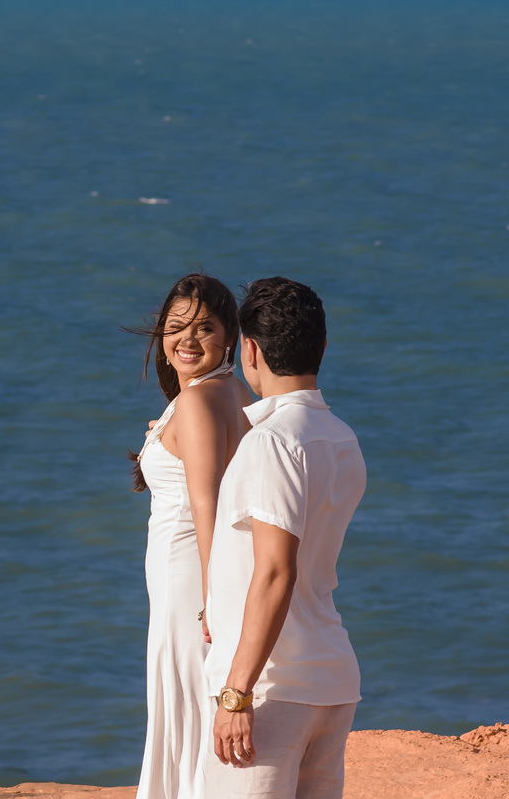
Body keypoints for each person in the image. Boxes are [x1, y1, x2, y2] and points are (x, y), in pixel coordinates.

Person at [203, 277, 365, 799]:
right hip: (330, 682)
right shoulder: (340, 436)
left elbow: (275, 570)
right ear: (320, 346)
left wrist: (236, 695)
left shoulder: (271, 442)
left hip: (274, 689)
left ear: (248, 350)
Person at [130, 274, 252, 799]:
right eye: (176, 327)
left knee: (184, 706)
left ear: (230, 337)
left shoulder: (201, 402)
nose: (187, 339)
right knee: (189, 705)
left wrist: (210, 598)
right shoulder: (228, 392)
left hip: (188, 585)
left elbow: (208, 503)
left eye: (205, 328)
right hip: (190, 579)